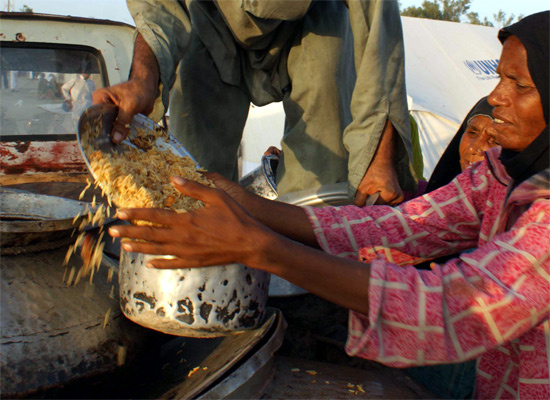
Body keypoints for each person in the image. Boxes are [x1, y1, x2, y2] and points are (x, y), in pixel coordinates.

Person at [108, 12, 550, 399]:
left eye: (520, 85)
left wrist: (261, 249)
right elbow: (398, 227)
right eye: (498, 77)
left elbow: (456, 304)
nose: (494, 97)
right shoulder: (500, 172)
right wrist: (245, 203)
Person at [92, 0, 418, 206]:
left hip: (313, 21)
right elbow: (159, 9)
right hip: (210, 21)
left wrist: (381, 157)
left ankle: (306, 279)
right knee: (192, 179)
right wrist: (142, 80)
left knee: (323, 176)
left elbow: (380, 31)